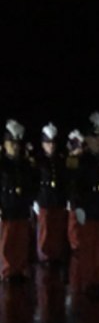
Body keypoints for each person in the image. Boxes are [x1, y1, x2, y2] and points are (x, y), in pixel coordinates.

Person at [68, 112, 99, 291]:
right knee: (88, 247)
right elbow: (74, 185)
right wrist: (77, 206)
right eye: (93, 138)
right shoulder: (80, 160)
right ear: (87, 140)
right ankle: (89, 281)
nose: (97, 141)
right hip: (88, 208)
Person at [1, 120, 36, 280]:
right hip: (6, 207)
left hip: (21, 206)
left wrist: (31, 201)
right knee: (7, 242)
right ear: (5, 144)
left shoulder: (25, 164)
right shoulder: (2, 164)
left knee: (21, 241)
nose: (14, 146)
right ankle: (7, 271)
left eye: (16, 143)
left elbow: (32, 184)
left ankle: (19, 269)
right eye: (11, 143)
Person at [33, 123, 69, 264]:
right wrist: (35, 200)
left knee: (57, 229)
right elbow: (34, 181)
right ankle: (44, 256)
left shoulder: (60, 159)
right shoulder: (38, 160)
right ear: (43, 144)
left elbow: (64, 180)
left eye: (53, 143)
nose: (51, 146)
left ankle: (56, 255)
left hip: (58, 199)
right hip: (44, 199)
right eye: (48, 143)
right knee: (45, 231)